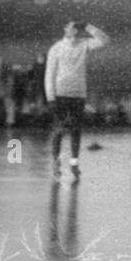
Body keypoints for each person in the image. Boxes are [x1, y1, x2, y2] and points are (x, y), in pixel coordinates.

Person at [45, 20, 109, 180]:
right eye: (71, 26)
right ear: (65, 29)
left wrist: (88, 27)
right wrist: (50, 97)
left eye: (76, 27)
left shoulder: (84, 44)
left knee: (75, 130)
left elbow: (104, 40)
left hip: (78, 94)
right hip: (61, 93)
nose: (74, 30)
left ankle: (74, 163)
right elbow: (49, 73)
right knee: (59, 129)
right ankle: (55, 162)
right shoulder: (57, 48)